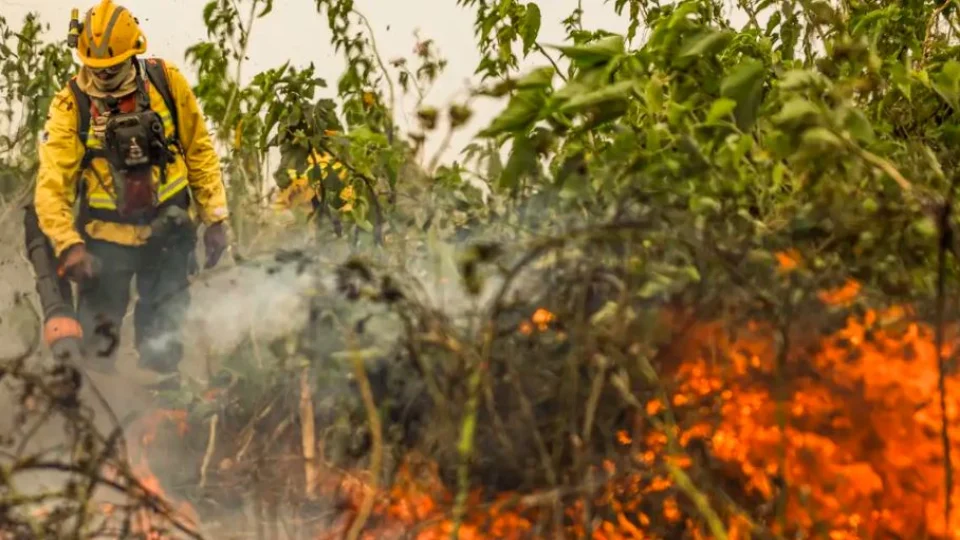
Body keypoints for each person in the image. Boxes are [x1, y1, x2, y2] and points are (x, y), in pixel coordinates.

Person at [32, 0, 229, 388]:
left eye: (112, 68)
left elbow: (199, 150)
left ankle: (167, 423)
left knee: (162, 345)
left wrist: (215, 217)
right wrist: (69, 244)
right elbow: (52, 185)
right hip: (106, 245)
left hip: (168, 235)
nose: (104, 76)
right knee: (96, 352)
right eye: (97, 68)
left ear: (134, 53)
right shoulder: (72, 104)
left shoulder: (165, 82)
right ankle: (102, 425)